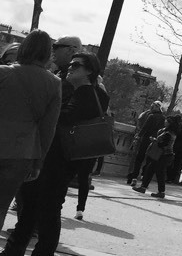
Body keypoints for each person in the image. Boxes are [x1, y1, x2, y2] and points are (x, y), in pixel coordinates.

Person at [3, 51, 108, 256]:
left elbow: (66, 118)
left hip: (58, 161)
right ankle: (15, 250)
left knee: (45, 211)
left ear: (89, 71)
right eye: (70, 64)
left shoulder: (86, 94)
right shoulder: (90, 93)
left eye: (76, 65)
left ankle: (31, 252)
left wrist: (46, 109)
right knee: (34, 208)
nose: (70, 67)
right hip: (61, 160)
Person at [0, 31, 62, 231]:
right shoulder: (54, 83)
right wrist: (39, 161)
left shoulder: (3, 73)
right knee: (1, 205)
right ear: (47, 53)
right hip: (21, 153)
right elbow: (48, 127)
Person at [133, 116, 179, 199]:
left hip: (163, 155)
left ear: (169, 123)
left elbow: (162, 144)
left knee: (159, 173)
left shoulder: (168, 133)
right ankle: (145, 187)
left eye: (166, 121)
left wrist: (155, 140)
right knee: (151, 170)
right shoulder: (171, 132)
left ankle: (160, 191)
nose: (165, 122)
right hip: (164, 155)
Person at [127, 101, 165, 184]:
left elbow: (145, 127)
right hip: (155, 141)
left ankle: (134, 177)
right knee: (149, 160)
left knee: (139, 158)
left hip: (146, 139)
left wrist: (138, 136)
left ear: (157, 107)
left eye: (153, 106)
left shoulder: (151, 116)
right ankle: (144, 177)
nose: (152, 107)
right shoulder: (163, 118)